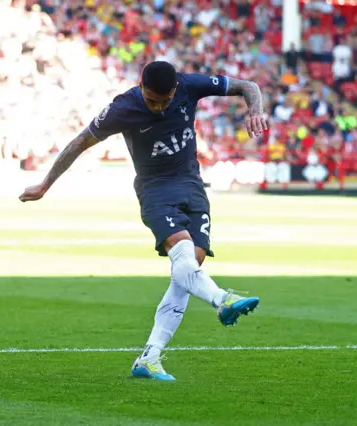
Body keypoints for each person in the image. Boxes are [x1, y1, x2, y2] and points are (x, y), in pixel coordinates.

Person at [18, 61, 268, 381]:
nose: (160, 107)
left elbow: (249, 86)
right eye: (153, 101)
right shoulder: (123, 107)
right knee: (182, 253)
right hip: (155, 191)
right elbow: (81, 141)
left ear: (176, 88)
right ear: (141, 88)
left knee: (187, 271)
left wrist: (255, 110)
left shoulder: (190, 85)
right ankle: (223, 299)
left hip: (192, 187)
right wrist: (45, 184)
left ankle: (149, 358)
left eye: (166, 100)